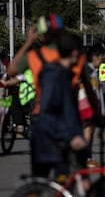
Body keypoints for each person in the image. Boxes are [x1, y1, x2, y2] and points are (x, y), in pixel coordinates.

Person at [30, 32, 88, 179]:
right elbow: (48, 110)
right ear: (74, 53)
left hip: (57, 139)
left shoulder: (63, 74)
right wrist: (71, 136)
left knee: (66, 182)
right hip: (51, 141)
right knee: (45, 183)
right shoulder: (54, 76)